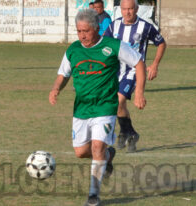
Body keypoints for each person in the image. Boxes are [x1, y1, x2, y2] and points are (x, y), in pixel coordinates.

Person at [49, 9, 146, 206]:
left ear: (96, 29)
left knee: (97, 147)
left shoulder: (113, 46)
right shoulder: (73, 50)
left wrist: (139, 93)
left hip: (105, 107)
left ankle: (93, 195)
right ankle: (109, 155)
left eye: (86, 31)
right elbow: (64, 73)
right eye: (78, 31)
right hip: (82, 109)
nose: (82, 35)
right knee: (81, 152)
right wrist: (55, 88)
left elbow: (139, 63)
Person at [104, 0, 166, 152]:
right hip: (116, 71)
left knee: (118, 100)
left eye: (130, 9)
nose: (127, 12)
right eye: (124, 9)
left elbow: (161, 43)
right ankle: (129, 132)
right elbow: (104, 44)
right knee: (117, 104)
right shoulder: (114, 25)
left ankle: (127, 132)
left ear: (137, 9)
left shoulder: (145, 26)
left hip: (134, 71)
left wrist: (155, 64)